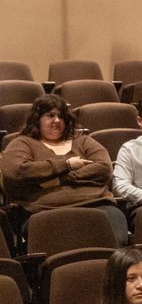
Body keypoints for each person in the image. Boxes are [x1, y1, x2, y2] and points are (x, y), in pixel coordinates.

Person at [0, 94, 128, 242]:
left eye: (61, 116)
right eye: (50, 115)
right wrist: (67, 164)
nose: (57, 120)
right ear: (37, 119)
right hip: (45, 211)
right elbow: (17, 172)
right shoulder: (22, 143)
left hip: (97, 205)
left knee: (115, 239)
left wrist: (56, 179)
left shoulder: (83, 141)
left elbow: (104, 169)